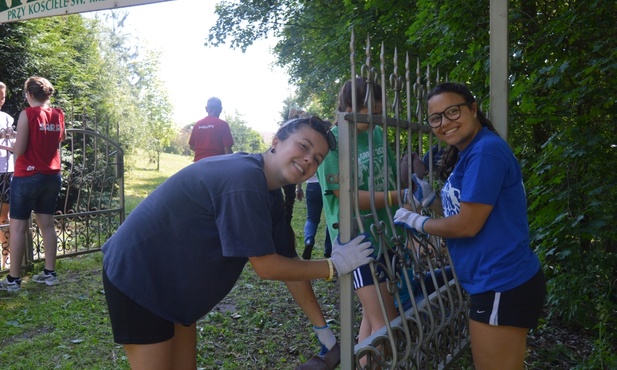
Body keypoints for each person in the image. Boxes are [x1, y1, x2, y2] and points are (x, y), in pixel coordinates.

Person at [100, 116, 373, 370]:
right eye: (303, 146)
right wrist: (333, 265)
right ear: (276, 141)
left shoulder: (270, 194)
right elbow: (266, 267)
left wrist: (324, 335)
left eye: (317, 158)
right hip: (137, 276)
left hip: (174, 285)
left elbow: (290, 264)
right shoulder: (243, 179)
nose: (308, 160)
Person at [394, 82, 546, 370]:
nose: (444, 122)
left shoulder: (485, 152)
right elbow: (466, 211)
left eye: (452, 111)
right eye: (436, 118)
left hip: (502, 283)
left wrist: (417, 221)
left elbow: (467, 226)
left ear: (473, 108)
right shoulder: (472, 151)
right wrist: (432, 201)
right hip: (496, 282)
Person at [0, 76, 66, 291]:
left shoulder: (27, 114)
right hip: (52, 175)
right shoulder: (58, 114)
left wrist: (7, 145)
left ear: (29, 94)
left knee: (18, 228)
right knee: (46, 225)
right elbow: (57, 139)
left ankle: (13, 279)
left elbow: (19, 150)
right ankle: (49, 273)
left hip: (27, 175)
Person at [297, 173, 332, 260]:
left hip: (312, 185)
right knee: (330, 217)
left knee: (312, 218)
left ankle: (309, 240)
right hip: (328, 185)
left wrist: (298, 189)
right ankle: (329, 249)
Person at [188, 97, 234, 162]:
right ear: (220, 109)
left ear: (206, 109)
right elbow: (227, 150)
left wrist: (203, 153)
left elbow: (192, 146)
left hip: (199, 163)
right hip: (216, 164)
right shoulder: (223, 125)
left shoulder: (198, 124)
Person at [0, 82, 16, 269]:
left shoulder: (7, 118)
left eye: (3, 97)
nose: (1, 101)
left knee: (5, 217)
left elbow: (15, 143)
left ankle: (6, 259)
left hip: (6, 171)